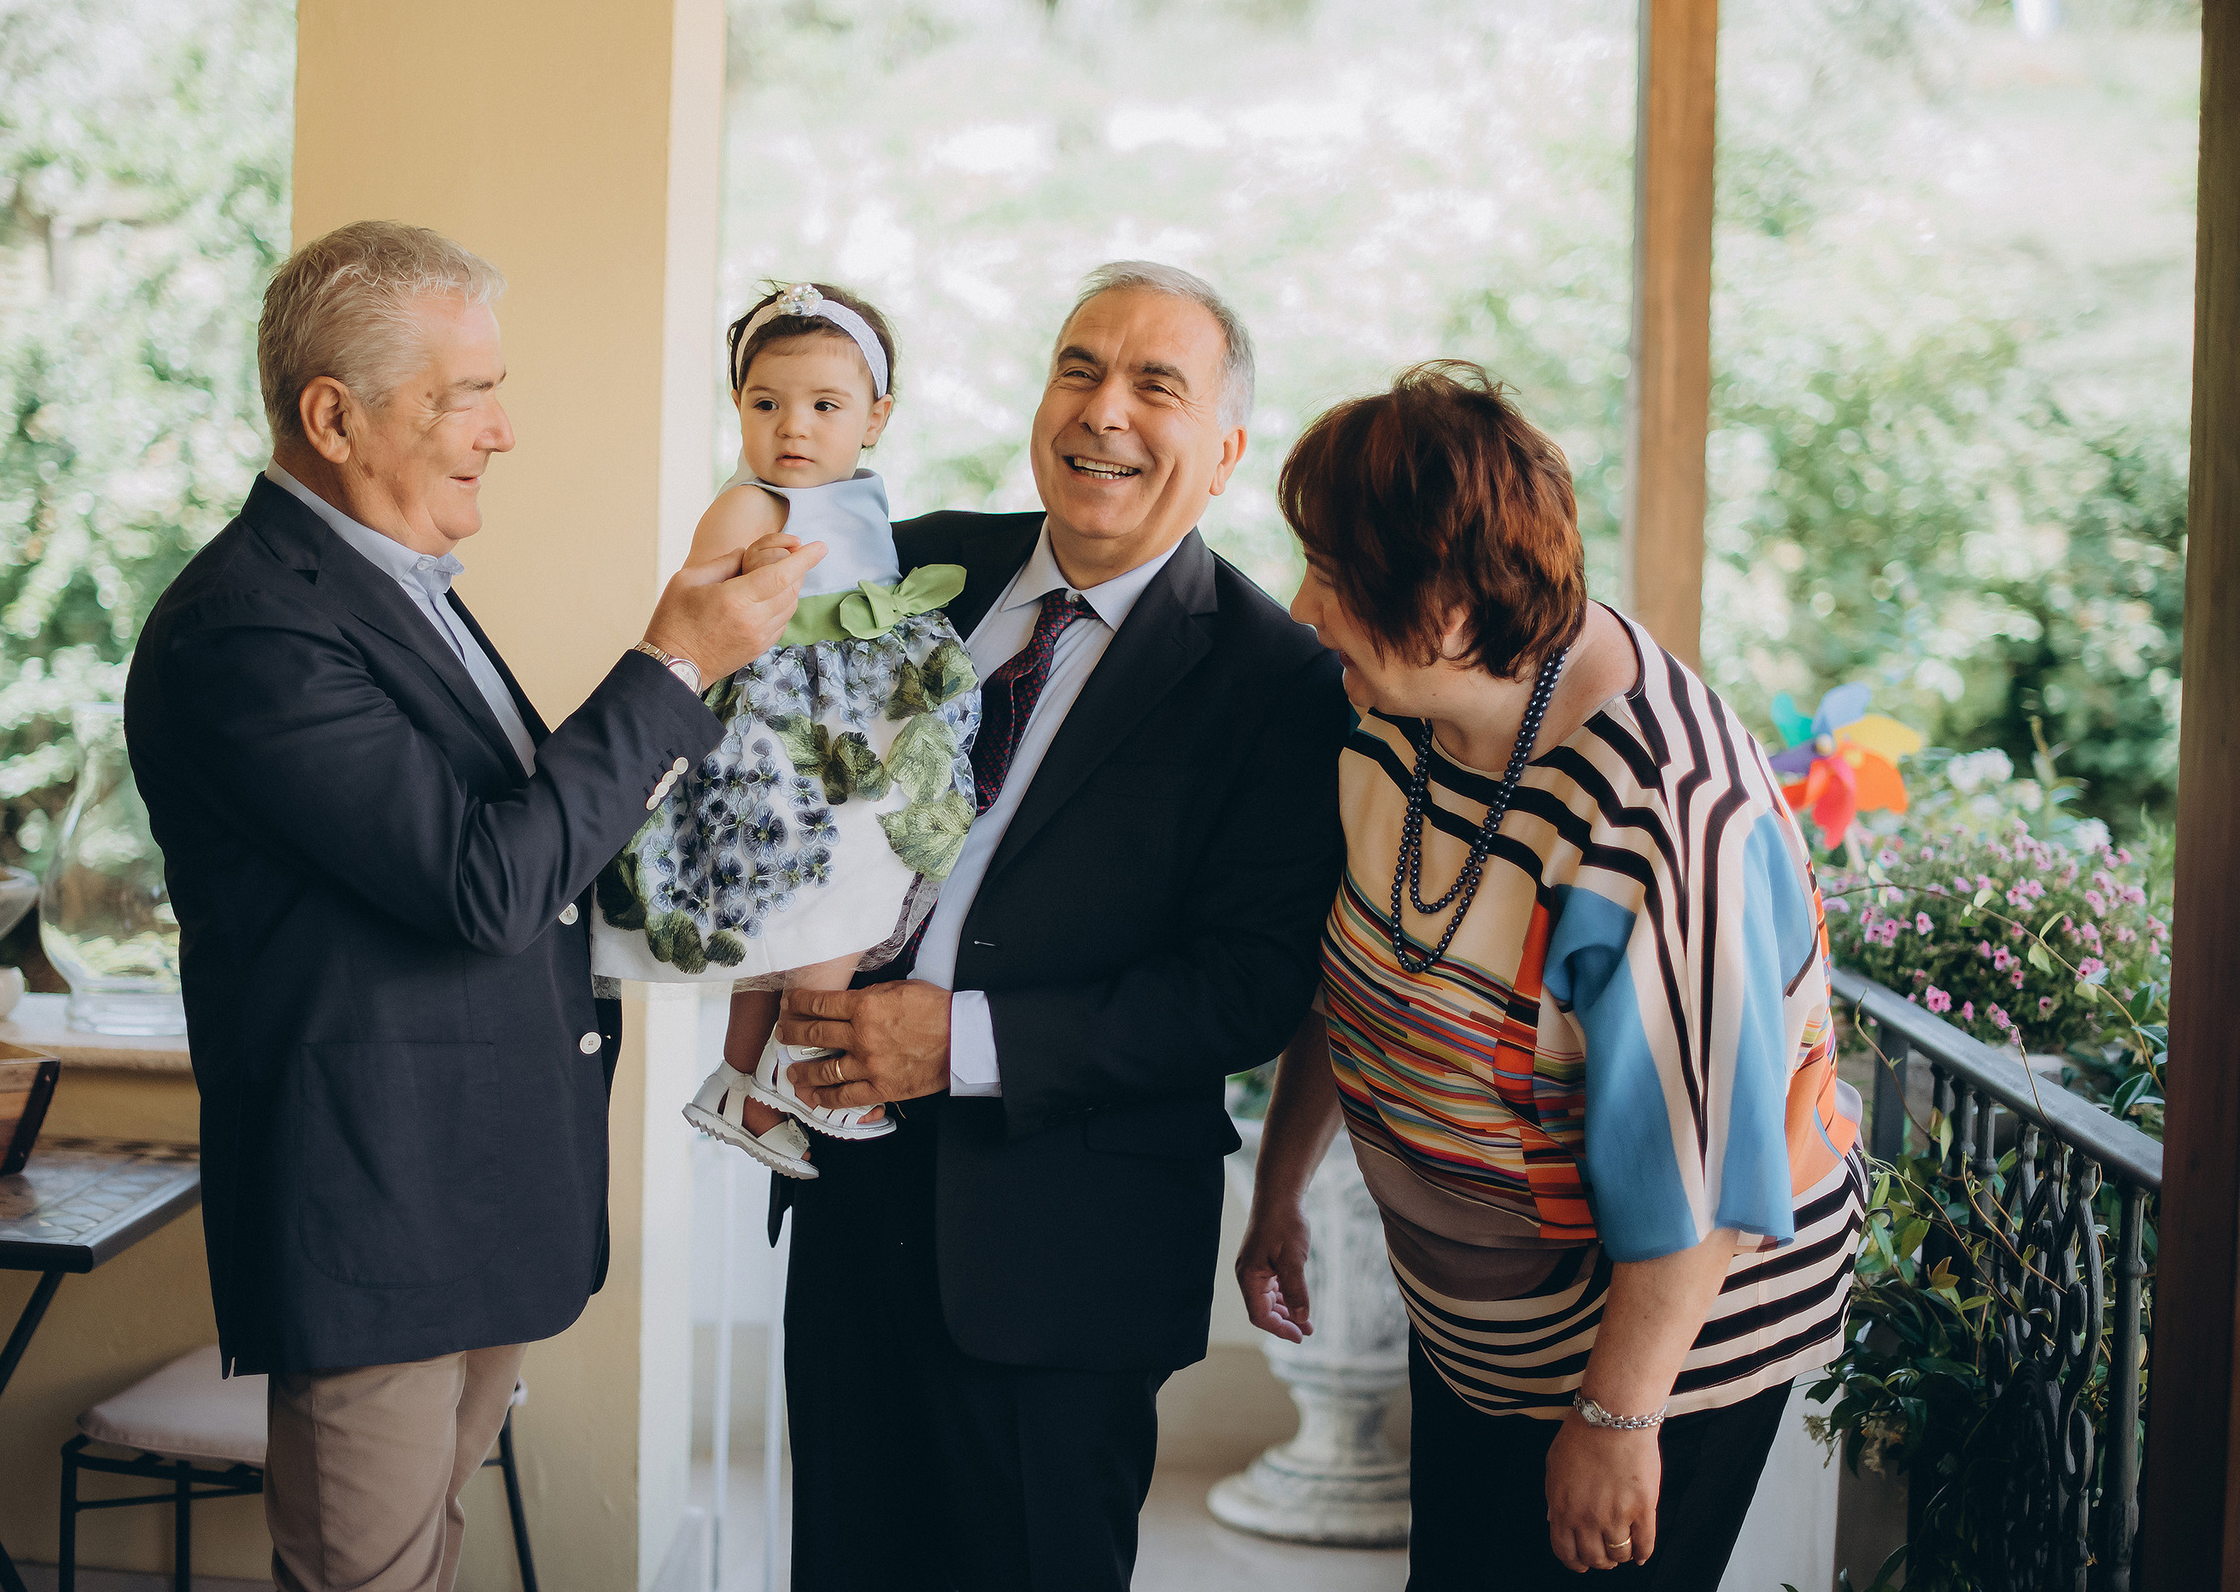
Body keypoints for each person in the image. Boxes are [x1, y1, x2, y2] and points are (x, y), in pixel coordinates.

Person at [123, 220, 821, 1592]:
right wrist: (672, 661)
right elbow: (486, 883)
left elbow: (533, 843)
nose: (501, 431)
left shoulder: (400, 592)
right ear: (333, 416)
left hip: (472, 1196)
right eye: (466, 394)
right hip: (371, 1218)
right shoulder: (248, 628)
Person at [766, 261, 1351, 1592]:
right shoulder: (910, 564)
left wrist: (959, 1042)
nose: (1106, 412)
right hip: (852, 1204)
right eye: (1080, 368)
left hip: (1064, 1251)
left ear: (1226, 449)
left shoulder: (1279, 684)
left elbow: (1247, 987)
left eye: (1159, 385)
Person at [1234, 362, 1865, 1590]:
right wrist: (1280, 1186)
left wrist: (1618, 1419)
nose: (1304, 609)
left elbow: (1702, 1170)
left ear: (1456, 604)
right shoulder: (1396, 708)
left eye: (1335, 577)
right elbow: (1364, 967)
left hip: (1665, 1341)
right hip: (1484, 1319)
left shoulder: (1657, 817)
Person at [593, 281, 980, 1178]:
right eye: (766, 404)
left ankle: (744, 1080)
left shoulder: (859, 496)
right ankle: (801, 1063)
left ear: (875, 417)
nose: (793, 428)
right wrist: (747, 569)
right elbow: (688, 613)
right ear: (739, 407)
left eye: (824, 406)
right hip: (792, 726)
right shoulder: (752, 504)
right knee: (849, 875)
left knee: (822, 899)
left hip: (855, 710)